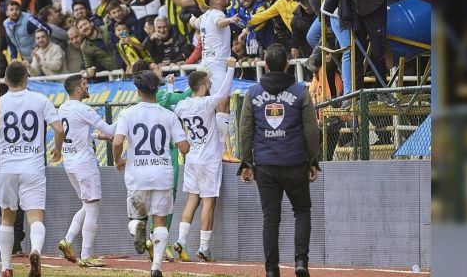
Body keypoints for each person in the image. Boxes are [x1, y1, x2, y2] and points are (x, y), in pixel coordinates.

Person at [238, 44, 320, 277]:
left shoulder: (252, 93)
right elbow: (311, 130)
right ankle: (301, 262)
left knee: (270, 218)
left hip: (265, 165)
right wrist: (312, 160)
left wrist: (247, 163)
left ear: (265, 65)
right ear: (287, 65)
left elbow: (245, 130)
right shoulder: (300, 91)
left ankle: (271, 270)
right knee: (302, 211)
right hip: (295, 162)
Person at [112, 71, 190, 277]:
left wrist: (117, 160)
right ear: (158, 89)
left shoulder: (128, 113)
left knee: (136, 218)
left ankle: (137, 226)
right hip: (163, 174)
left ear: (138, 90)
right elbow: (184, 148)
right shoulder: (169, 115)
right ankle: (156, 267)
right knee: (160, 222)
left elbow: (117, 142)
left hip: (137, 174)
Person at [301, 0, 398, 104]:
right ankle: (356, 95)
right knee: (355, 53)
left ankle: (382, 92)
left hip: (375, 11)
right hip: (358, 12)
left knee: (377, 52)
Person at [0, 61, 65, 277]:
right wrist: (58, 149)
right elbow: (59, 129)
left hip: (6, 166)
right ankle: (35, 250)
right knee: (35, 216)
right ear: (27, 78)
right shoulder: (40, 100)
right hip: (33, 166)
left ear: (6, 80)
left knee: (7, 218)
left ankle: (6, 267)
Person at [173, 57, 236, 263]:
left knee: (192, 199)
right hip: (209, 160)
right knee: (209, 202)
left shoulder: (182, 106)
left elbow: (172, 110)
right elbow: (224, 92)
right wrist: (230, 69)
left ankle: (181, 240)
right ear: (201, 86)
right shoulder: (207, 103)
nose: (209, 86)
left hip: (192, 158)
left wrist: (170, 86)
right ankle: (204, 247)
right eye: (208, 83)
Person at [57, 75, 116, 267]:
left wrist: (99, 137)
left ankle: (67, 240)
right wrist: (126, 116)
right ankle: (86, 255)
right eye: (84, 84)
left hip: (70, 163)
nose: (87, 86)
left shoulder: (63, 108)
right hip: (85, 164)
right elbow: (111, 129)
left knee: (86, 205)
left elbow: (77, 133)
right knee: (92, 209)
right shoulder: (83, 109)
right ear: (77, 89)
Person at [196, 0, 242, 161]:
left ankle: (213, 147)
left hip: (206, 64)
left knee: (212, 108)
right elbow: (219, 23)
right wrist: (230, 20)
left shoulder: (205, 16)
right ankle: (222, 150)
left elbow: (195, 23)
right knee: (223, 105)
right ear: (216, 1)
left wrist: (192, 19)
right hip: (216, 65)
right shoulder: (217, 14)